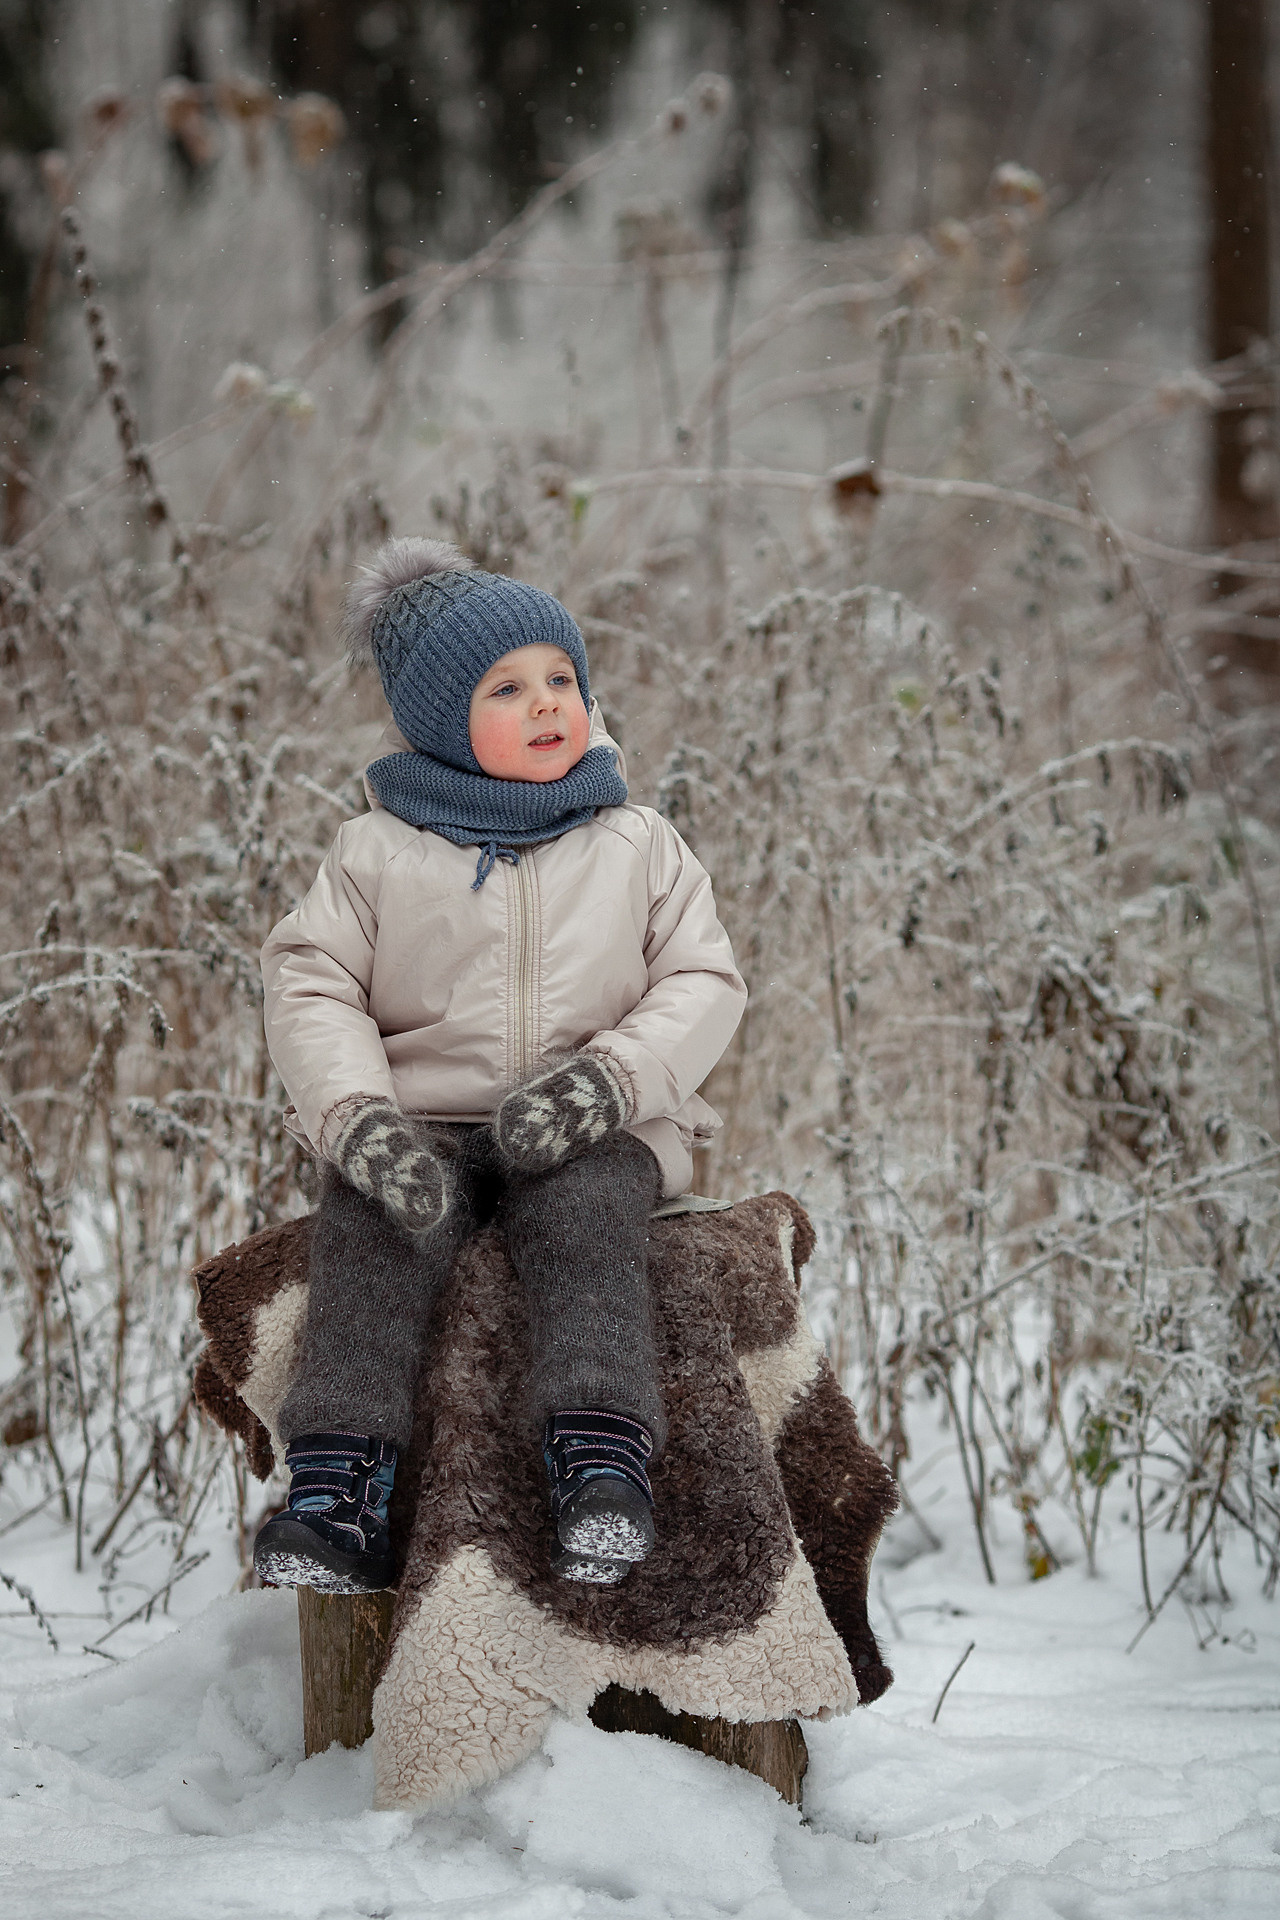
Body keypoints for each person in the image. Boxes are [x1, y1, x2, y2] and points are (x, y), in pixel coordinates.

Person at [252, 538, 746, 1594]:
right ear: (440, 720)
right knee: (375, 1227)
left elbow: (703, 980)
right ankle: (337, 1491)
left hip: (590, 1121)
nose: (547, 702)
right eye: (507, 688)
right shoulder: (375, 851)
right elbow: (311, 985)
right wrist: (355, 1115)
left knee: (584, 1219)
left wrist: (614, 1079)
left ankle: (601, 1466)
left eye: (561, 677)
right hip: (423, 1122)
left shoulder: (637, 842)